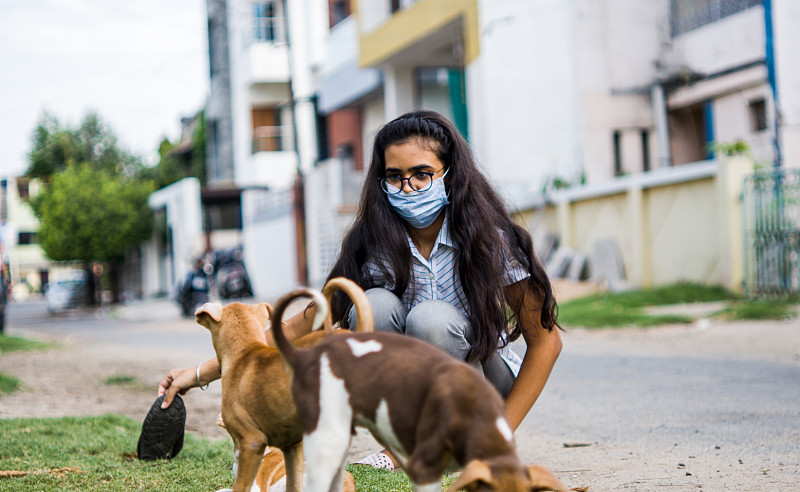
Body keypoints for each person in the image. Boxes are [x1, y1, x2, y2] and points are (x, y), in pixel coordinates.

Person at [158, 109, 562, 470]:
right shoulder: (373, 244)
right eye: (395, 176)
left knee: (430, 318)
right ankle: (404, 446)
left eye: (422, 173)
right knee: (374, 305)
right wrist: (199, 374)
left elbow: (546, 343)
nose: (408, 188)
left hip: (484, 386)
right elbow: (302, 325)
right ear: (381, 179)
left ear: (450, 174)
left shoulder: (489, 239)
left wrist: (502, 432)